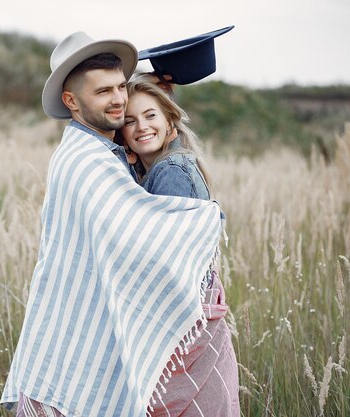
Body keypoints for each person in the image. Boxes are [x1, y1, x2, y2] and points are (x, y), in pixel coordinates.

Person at [0, 32, 225, 417]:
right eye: (103, 91)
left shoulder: (110, 153)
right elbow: (138, 233)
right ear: (71, 101)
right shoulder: (86, 160)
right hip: (75, 335)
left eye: (121, 86)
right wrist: (206, 219)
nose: (119, 99)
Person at [116, 73, 240, 416]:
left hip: (186, 333)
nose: (141, 126)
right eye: (130, 120)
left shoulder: (171, 172)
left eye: (150, 115)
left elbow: (168, 264)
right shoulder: (159, 169)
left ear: (170, 121)